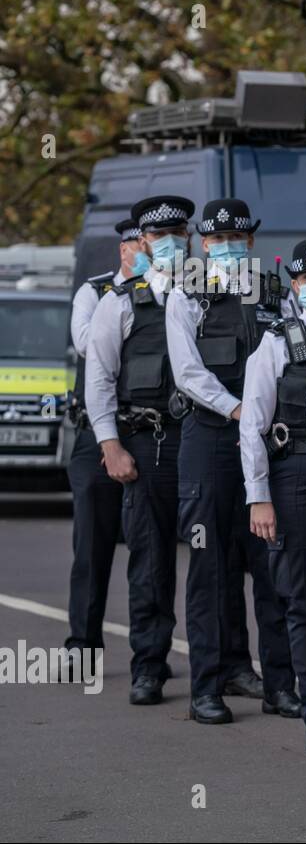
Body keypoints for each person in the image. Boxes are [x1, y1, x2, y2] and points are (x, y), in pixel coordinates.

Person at [164, 196, 295, 724]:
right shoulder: (187, 291)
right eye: (216, 242)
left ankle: (279, 684)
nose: (226, 249)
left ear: (251, 242)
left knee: (271, 567)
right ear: (201, 243)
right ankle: (206, 686)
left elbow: (293, 351)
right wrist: (240, 408)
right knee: (209, 567)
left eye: (236, 241)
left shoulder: (273, 291)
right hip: (213, 439)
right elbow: (188, 373)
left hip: (268, 442)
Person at [242, 238, 306, 753]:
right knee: (305, 597)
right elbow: (253, 426)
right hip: (297, 472)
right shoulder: (276, 342)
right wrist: (258, 495)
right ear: (295, 287)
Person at [83, 209, 182, 704]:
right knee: (150, 558)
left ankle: (226, 665)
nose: (168, 243)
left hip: (200, 443)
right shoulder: (118, 303)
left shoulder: (205, 296)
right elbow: (98, 378)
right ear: (140, 242)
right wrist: (110, 444)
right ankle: (149, 664)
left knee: (218, 560)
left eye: (177, 234)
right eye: (158, 235)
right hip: (144, 441)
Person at [63, 218, 143, 670]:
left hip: (148, 431)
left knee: (149, 548)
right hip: (97, 434)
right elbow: (88, 344)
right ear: (124, 248)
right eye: (137, 241)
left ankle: (148, 652)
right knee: (91, 545)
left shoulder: (172, 295)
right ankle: (83, 644)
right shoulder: (95, 293)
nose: (144, 248)